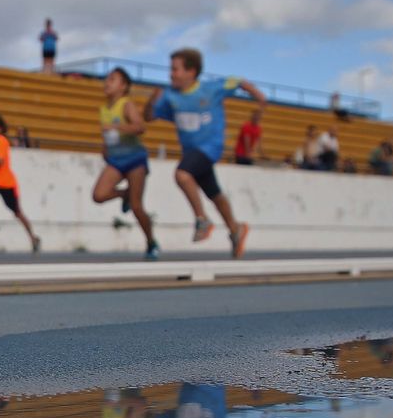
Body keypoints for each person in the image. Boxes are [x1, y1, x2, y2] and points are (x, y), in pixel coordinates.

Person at [149, 47, 265, 258]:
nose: (170, 74)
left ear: (191, 71)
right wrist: (151, 101)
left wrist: (258, 95)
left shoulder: (210, 89)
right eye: (170, 69)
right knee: (215, 194)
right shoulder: (169, 96)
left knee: (182, 175)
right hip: (192, 153)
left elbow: (236, 81)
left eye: (175, 69)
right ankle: (236, 229)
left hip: (210, 147)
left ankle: (202, 219)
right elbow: (149, 117)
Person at [91, 66, 160, 260]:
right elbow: (109, 136)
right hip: (116, 159)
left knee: (137, 207)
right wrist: (105, 149)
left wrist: (117, 126)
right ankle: (125, 194)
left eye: (112, 79)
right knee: (99, 195)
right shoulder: (104, 109)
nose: (107, 82)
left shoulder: (126, 104)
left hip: (134, 159)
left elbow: (140, 127)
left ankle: (151, 242)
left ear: (123, 86)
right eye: (107, 79)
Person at [0, 113, 41, 251]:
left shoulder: (1, 140)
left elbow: (0, 161)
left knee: (18, 213)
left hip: (6, 183)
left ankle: (33, 238)